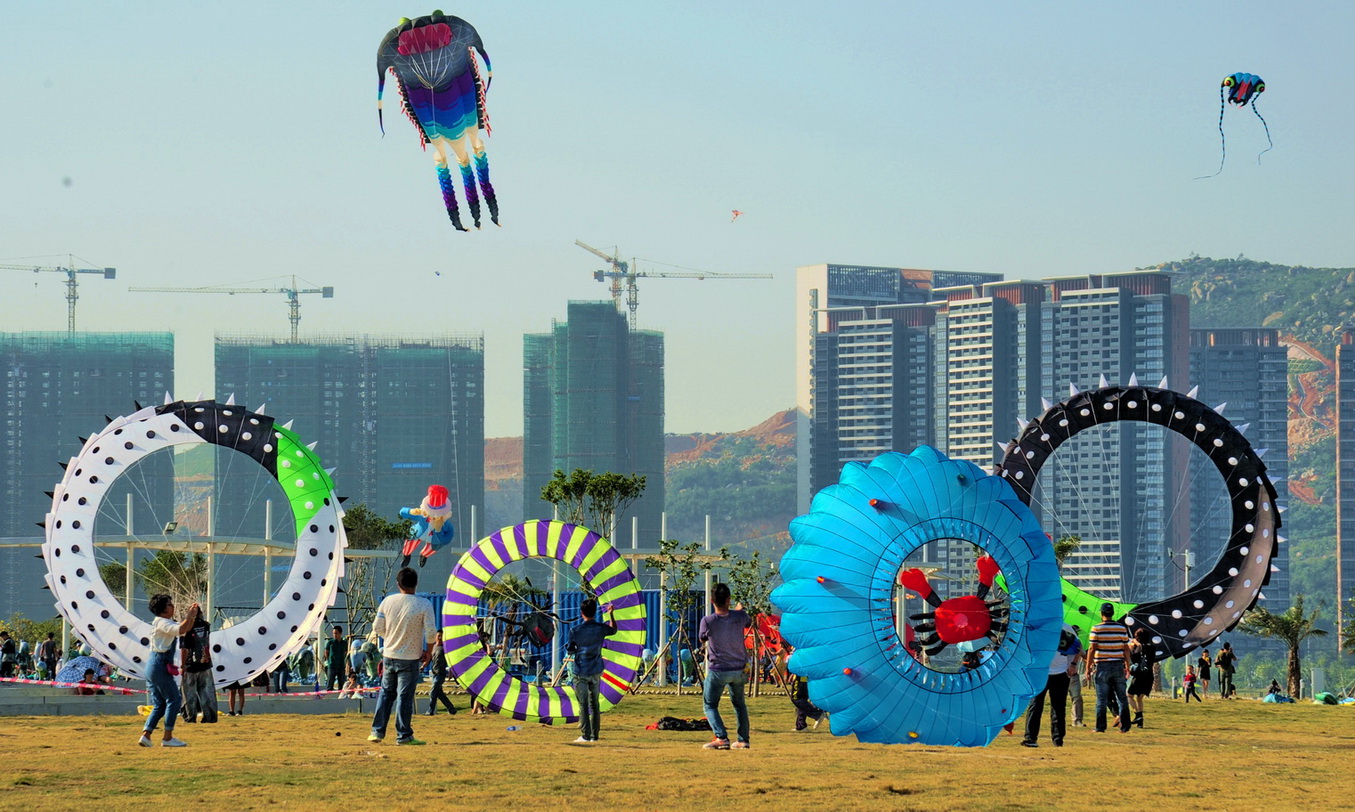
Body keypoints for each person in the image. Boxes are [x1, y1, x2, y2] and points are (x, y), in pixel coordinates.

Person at [368, 567, 436, 746]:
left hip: (389, 654)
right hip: (411, 657)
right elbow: (430, 633)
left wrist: (389, 639)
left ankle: (377, 731)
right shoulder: (424, 604)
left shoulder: (387, 602)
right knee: (404, 697)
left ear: (398, 584)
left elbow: (377, 628)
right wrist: (428, 652)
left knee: (385, 694)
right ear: (416, 583)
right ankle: (403, 735)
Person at [139, 593, 198, 747]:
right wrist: (189, 616)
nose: (173, 606)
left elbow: (184, 629)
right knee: (174, 699)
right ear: (163, 609)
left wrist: (191, 617)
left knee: (160, 704)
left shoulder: (162, 622)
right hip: (159, 665)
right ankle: (167, 737)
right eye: (170, 604)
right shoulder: (163, 623)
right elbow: (180, 629)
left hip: (154, 665)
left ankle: (146, 735)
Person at [698, 583, 752, 750]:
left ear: (712, 600)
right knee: (739, 704)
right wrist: (739, 610)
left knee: (710, 705)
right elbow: (749, 621)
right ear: (729, 599)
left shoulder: (708, 621)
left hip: (718, 670)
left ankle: (721, 737)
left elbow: (702, 638)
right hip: (739, 669)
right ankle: (743, 740)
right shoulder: (740, 616)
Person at [565, 598, 617, 743]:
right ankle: (595, 736)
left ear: (582, 613)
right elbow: (613, 629)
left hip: (580, 671)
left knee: (583, 704)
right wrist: (611, 614)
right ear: (595, 612)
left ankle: (585, 735)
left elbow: (570, 651)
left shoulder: (575, 630)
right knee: (595, 703)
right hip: (595, 671)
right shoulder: (601, 628)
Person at [1023, 622, 1079, 748]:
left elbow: (1078, 647)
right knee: (1035, 705)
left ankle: (1058, 739)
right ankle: (1030, 738)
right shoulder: (1037, 627)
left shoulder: (1066, 627)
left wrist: (1073, 664)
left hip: (1060, 673)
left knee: (1058, 707)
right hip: (1040, 672)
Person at [1085, 602, 1131, 734]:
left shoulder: (1096, 628)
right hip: (1118, 665)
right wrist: (1127, 665)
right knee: (1122, 697)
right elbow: (1126, 649)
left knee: (1102, 699)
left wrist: (1088, 667)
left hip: (1102, 666)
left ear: (1101, 614)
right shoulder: (1121, 628)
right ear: (1112, 614)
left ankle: (1100, 727)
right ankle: (1125, 726)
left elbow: (1092, 649)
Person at [180, 612, 217, 723]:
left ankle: (190, 717)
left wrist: (182, 666)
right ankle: (210, 717)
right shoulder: (206, 625)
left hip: (191, 665)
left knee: (189, 694)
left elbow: (184, 649)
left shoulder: (186, 629)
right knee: (207, 692)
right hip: (205, 663)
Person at [1125, 627, 1152, 728]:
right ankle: (1140, 722)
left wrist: (1133, 643)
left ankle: (1137, 715)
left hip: (1138, 675)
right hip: (1149, 675)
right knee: (1140, 698)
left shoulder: (1136, 647)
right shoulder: (1151, 648)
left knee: (1129, 695)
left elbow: (1131, 652)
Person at [426, 629, 457, 716]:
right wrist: (423, 666)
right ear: (436, 637)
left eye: (441, 636)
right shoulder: (434, 647)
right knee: (439, 694)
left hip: (441, 674)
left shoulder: (446, 649)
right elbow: (429, 659)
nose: (440, 637)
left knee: (433, 691)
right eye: (438, 636)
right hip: (434, 674)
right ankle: (451, 708)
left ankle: (430, 710)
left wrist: (451, 671)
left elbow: (451, 661)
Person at [1067, 625, 1086, 727]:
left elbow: (1084, 655)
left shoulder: (1078, 644)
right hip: (1063, 674)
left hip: (1073, 674)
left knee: (1077, 697)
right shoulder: (1065, 642)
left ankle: (1076, 721)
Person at [324, 625, 348, 693]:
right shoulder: (330, 643)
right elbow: (326, 652)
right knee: (330, 682)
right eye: (334, 633)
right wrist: (329, 661)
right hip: (332, 665)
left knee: (341, 683)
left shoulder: (344, 643)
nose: (335, 635)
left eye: (336, 633)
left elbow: (345, 653)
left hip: (341, 665)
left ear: (340, 633)